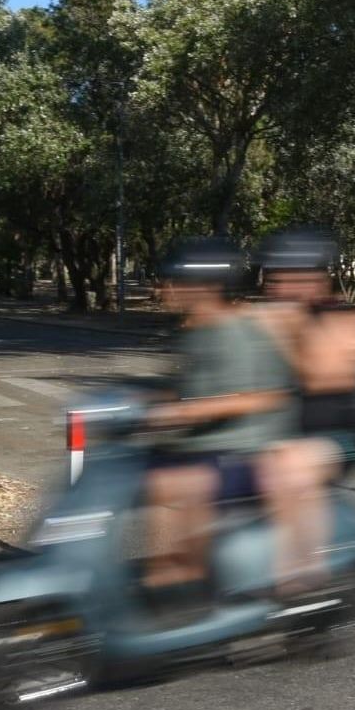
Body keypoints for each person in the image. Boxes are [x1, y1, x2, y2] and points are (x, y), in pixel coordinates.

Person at [139, 238, 296, 608]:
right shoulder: (195, 330)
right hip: (200, 444)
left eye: (172, 282)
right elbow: (183, 389)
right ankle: (169, 575)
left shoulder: (237, 330)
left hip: (243, 448)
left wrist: (184, 412)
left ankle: (185, 582)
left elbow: (264, 396)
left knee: (178, 483)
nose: (162, 289)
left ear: (203, 287)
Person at [252, 229, 355, 596]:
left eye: (293, 278)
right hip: (273, 430)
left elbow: (324, 374)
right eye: (276, 279)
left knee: (288, 463)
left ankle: (303, 574)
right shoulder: (266, 318)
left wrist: (289, 330)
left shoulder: (346, 317)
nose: (282, 288)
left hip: (339, 436)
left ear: (319, 279)